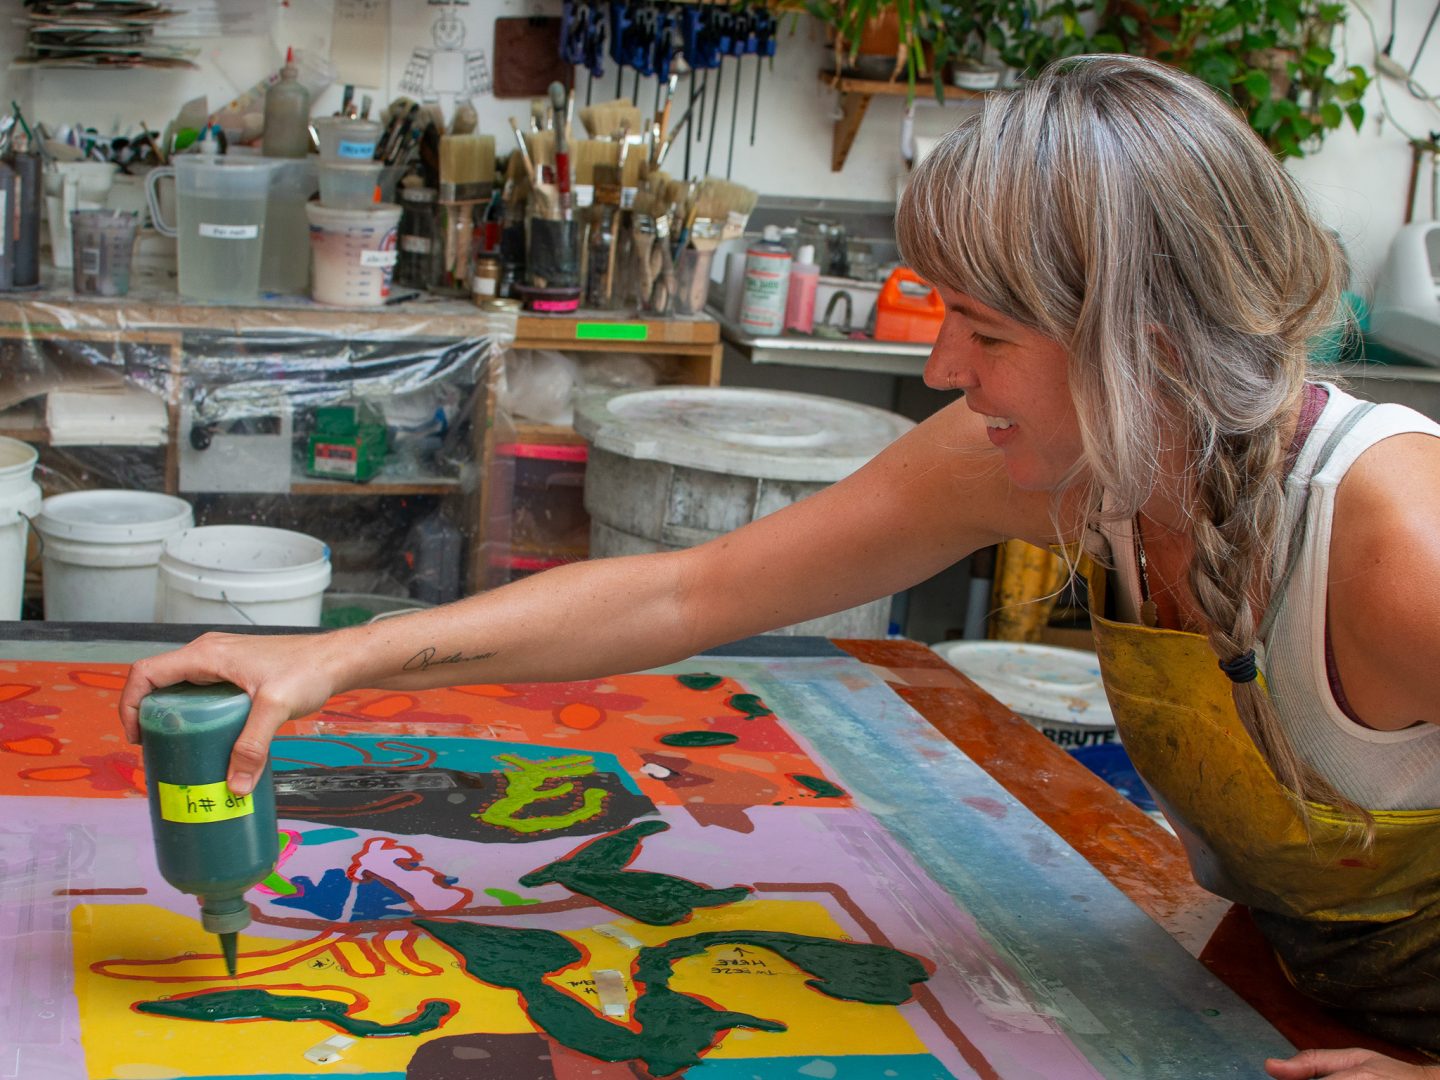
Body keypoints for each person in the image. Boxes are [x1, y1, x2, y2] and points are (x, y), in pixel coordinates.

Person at [120, 55, 1440, 1077]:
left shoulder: (1395, 543)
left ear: (1139, 344)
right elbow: (690, 592)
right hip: (1269, 990)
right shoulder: (1063, 467)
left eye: (980, 330)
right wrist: (330, 659)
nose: (940, 371)